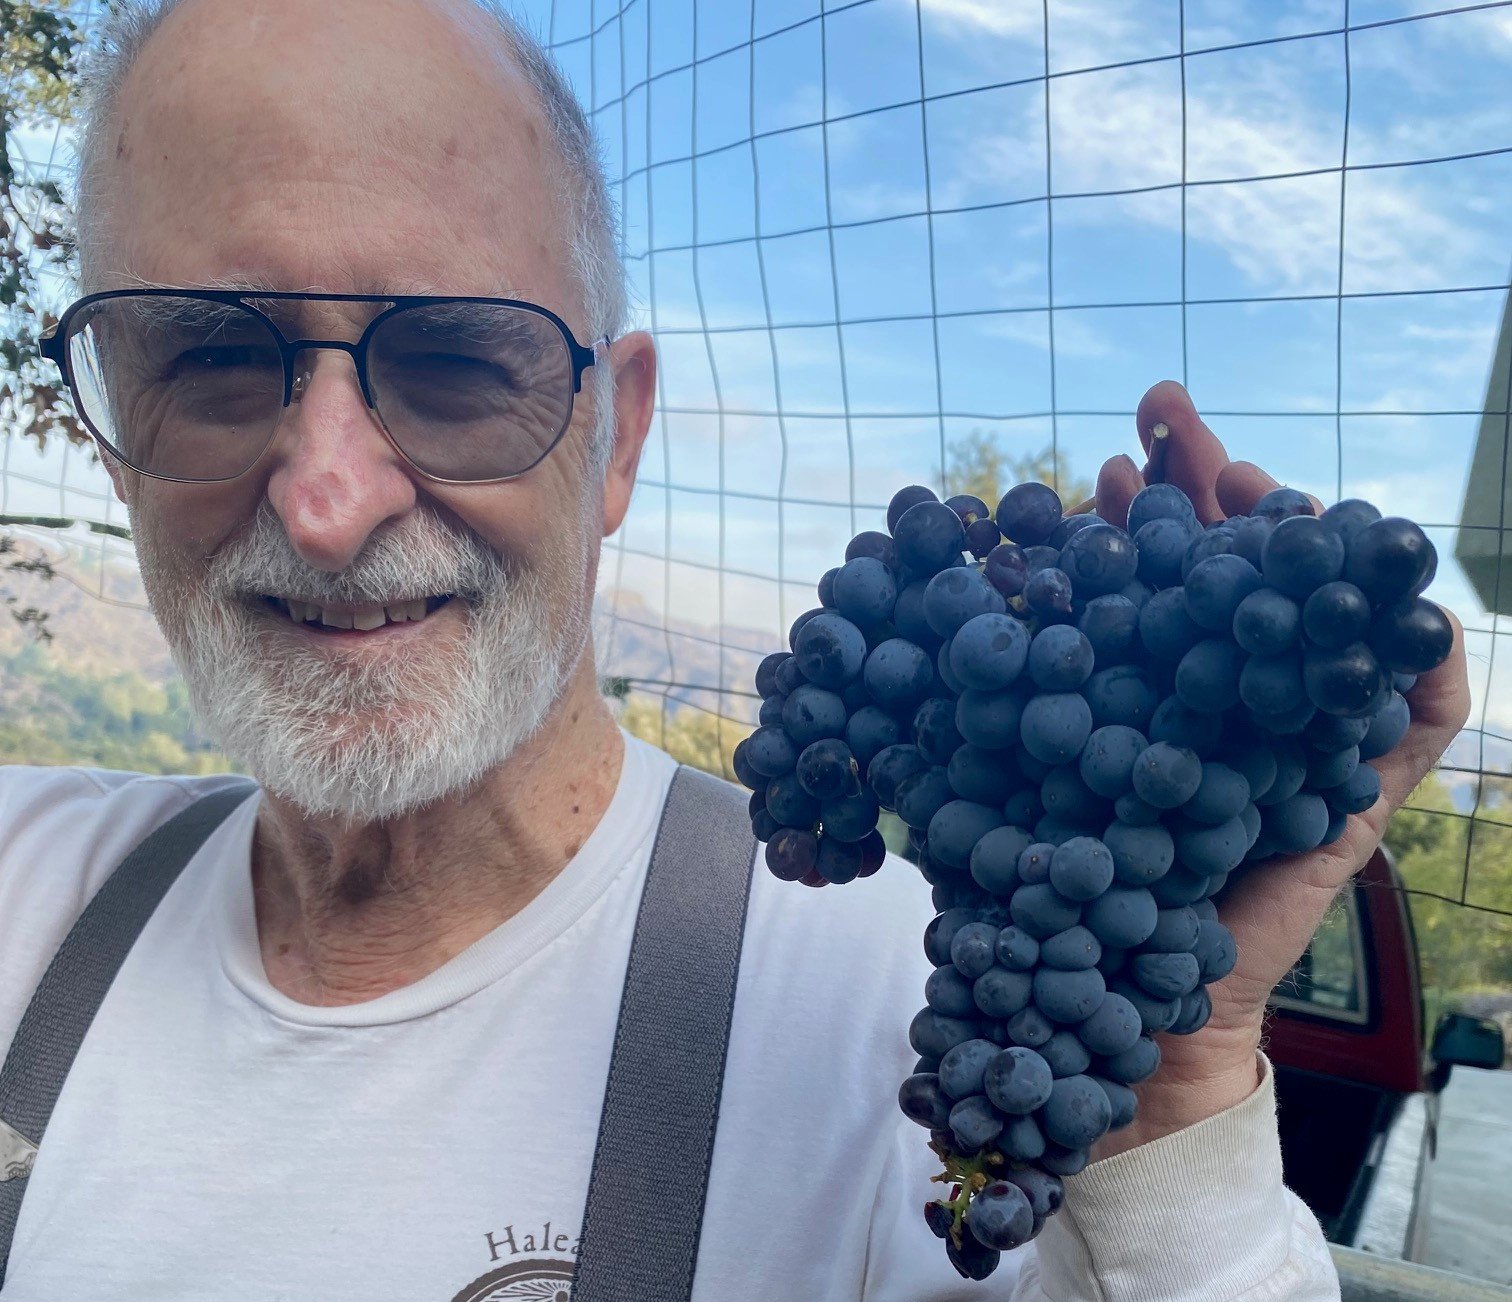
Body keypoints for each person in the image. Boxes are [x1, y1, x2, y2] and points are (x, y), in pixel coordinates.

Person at [0, 0, 1469, 1297]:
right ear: (111, 432)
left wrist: (1172, 1104)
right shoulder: (23, 886)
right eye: (209, 357)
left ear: (618, 434)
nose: (326, 504)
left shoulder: (910, 1029)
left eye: (453, 359)